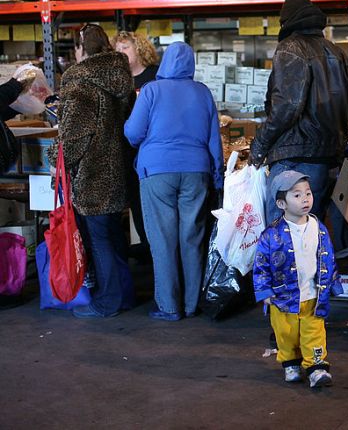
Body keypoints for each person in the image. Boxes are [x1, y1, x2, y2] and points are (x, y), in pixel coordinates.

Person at [124, 42, 224, 321]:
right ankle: (192, 305)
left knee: (163, 240)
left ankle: (169, 306)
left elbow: (133, 133)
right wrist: (217, 176)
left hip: (157, 173)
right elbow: (213, 139)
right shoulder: (203, 92)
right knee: (192, 239)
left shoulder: (152, 91)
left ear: (165, 62)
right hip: (196, 172)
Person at [249, 0, 348, 227]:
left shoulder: (290, 49)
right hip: (329, 159)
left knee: (283, 237)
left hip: (294, 160)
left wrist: (259, 146)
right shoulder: (336, 51)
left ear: (286, 22)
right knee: (310, 234)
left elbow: (285, 108)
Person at [48, 24, 135, 319]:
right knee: (113, 236)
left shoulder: (78, 84)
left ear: (81, 49)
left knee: (99, 242)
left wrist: (54, 157)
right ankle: (124, 296)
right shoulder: (119, 78)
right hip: (116, 169)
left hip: (92, 175)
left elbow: (74, 137)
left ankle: (107, 302)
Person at [253, 171, 342, 388]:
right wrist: (265, 292)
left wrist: (334, 283)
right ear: (281, 203)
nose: (305, 199)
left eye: (308, 193)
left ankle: (316, 367)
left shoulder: (319, 228)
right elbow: (261, 265)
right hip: (283, 298)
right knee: (286, 333)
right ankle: (290, 363)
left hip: (313, 294)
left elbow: (328, 256)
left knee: (314, 331)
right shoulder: (271, 235)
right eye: (297, 195)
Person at [115, 31, 159, 259]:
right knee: (136, 202)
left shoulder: (155, 77)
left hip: (152, 151)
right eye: (118, 49)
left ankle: (155, 248)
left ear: (139, 49)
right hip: (127, 152)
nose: (120, 53)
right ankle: (145, 244)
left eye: (125, 48)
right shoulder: (119, 81)